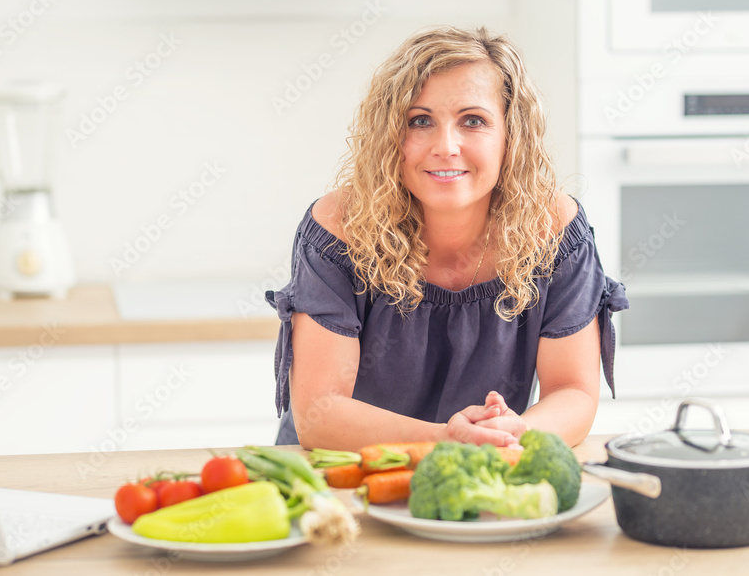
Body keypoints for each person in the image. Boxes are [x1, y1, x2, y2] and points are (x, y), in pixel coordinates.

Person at [265, 25, 628, 451]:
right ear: (390, 138)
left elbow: (573, 392)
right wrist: (450, 440)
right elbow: (320, 413)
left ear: (511, 135)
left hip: (486, 466)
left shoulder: (554, 230)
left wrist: (514, 436)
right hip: (345, 471)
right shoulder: (339, 227)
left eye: (473, 121)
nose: (446, 146)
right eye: (420, 121)